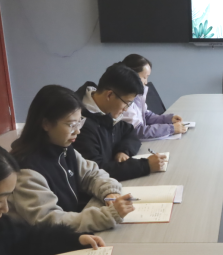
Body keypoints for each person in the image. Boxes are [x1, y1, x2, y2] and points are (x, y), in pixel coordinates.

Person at [9, 85, 136, 233]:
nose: (78, 131)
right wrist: (108, 216)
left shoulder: (63, 147)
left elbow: (91, 174)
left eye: (79, 122)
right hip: (43, 242)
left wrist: (109, 191)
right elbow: (50, 220)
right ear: (46, 124)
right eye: (71, 125)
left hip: (70, 231)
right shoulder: (27, 170)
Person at [73, 63, 168, 182]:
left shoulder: (106, 111)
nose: (126, 109)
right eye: (127, 103)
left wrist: (123, 150)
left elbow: (130, 131)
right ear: (109, 95)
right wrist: (145, 166)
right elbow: (96, 171)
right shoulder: (79, 123)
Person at [121, 54, 187, 140]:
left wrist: (168, 119)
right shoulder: (123, 100)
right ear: (131, 75)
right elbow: (138, 131)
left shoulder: (137, 95)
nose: (146, 82)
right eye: (144, 77)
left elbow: (146, 116)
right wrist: (171, 129)